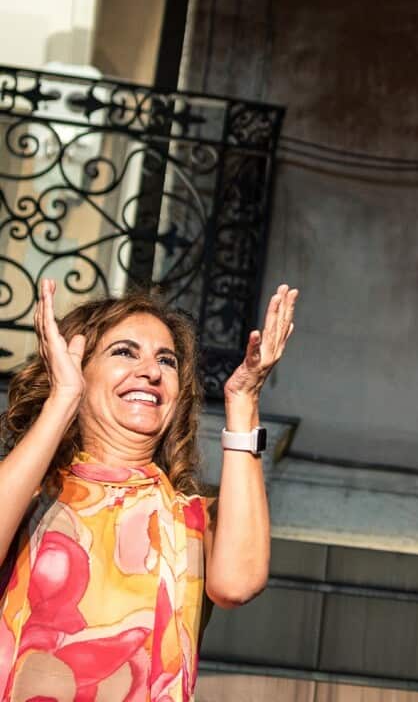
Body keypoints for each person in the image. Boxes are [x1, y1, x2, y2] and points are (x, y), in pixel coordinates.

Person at [0, 279, 298, 701]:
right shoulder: (27, 494)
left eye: (167, 360)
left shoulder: (195, 517)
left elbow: (239, 583)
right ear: (74, 367)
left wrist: (244, 400)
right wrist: (64, 398)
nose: (152, 371)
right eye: (124, 352)